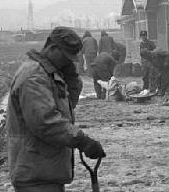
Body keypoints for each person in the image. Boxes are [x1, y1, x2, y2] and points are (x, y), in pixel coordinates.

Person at [7, 27, 106, 192]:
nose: (69, 61)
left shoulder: (47, 74)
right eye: (66, 57)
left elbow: (66, 108)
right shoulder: (34, 77)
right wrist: (82, 141)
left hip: (44, 170)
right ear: (52, 48)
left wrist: (72, 78)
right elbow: (46, 122)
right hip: (35, 174)